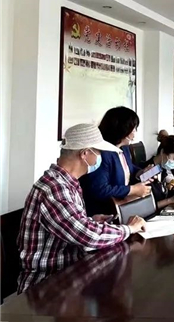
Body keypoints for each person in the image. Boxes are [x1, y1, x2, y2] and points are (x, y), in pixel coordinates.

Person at [17, 124, 146, 292]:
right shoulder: (55, 188)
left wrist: (90, 220)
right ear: (85, 153)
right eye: (98, 152)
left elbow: (72, 225)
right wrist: (129, 228)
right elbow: (88, 236)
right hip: (47, 287)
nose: (100, 158)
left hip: (70, 277)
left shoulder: (66, 182)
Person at [80, 107, 153, 216]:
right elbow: (101, 190)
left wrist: (141, 173)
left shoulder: (124, 148)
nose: (135, 132)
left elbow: (128, 168)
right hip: (103, 213)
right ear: (123, 130)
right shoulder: (100, 153)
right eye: (134, 129)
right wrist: (132, 190)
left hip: (123, 206)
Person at [146, 135, 174, 209]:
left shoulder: (162, 169)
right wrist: (170, 200)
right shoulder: (147, 171)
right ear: (162, 152)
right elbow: (146, 207)